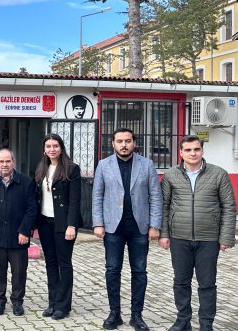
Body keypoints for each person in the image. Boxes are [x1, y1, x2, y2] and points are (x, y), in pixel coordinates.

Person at [159, 135, 236, 331]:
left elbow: (228, 207)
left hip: (208, 239)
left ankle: (206, 324)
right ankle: (183, 320)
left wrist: (226, 237)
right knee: (181, 282)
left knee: (207, 284)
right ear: (181, 152)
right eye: (188, 150)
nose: (193, 153)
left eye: (196, 149)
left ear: (202, 151)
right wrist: (164, 234)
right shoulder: (170, 175)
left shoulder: (219, 174)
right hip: (179, 237)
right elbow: (164, 206)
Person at [92, 128, 162, 331]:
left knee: (139, 271)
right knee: (112, 270)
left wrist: (155, 225)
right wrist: (98, 223)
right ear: (113, 143)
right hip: (113, 228)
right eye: (120, 141)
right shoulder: (104, 165)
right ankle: (114, 314)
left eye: (128, 141)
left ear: (134, 143)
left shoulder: (146, 164)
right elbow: (97, 196)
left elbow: (156, 196)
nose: (124, 144)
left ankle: (136, 315)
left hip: (139, 227)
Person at [0, 149, 37, 317]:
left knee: (19, 273)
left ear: (13, 162)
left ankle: (17, 302)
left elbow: (32, 209)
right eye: (1, 162)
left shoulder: (26, 182)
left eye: (8, 161)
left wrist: (25, 231)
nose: (4, 165)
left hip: (19, 237)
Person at [33, 134, 81, 320]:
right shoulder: (41, 168)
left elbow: (75, 200)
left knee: (64, 264)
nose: (52, 149)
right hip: (45, 222)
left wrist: (71, 225)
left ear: (61, 148)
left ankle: (63, 306)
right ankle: (52, 302)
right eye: (48, 146)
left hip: (63, 223)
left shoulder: (71, 169)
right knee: (50, 263)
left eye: (55, 146)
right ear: (44, 149)